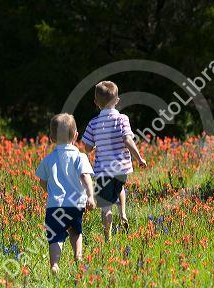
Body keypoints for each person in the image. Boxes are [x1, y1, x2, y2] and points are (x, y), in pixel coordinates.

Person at [82, 81, 147, 242]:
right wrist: (139, 158)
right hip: (121, 168)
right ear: (117, 100)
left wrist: (96, 141)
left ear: (96, 103)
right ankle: (123, 213)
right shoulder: (122, 119)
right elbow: (128, 140)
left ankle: (108, 238)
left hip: (103, 170)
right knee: (120, 188)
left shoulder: (93, 123)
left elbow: (88, 148)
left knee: (105, 206)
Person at [36, 113, 96, 274]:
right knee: (76, 232)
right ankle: (78, 257)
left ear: (51, 138)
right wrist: (90, 196)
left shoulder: (48, 159)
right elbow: (85, 177)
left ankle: (55, 264)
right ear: (76, 136)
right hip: (75, 204)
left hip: (54, 206)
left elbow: (42, 181)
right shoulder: (80, 157)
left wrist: (50, 192)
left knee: (55, 237)